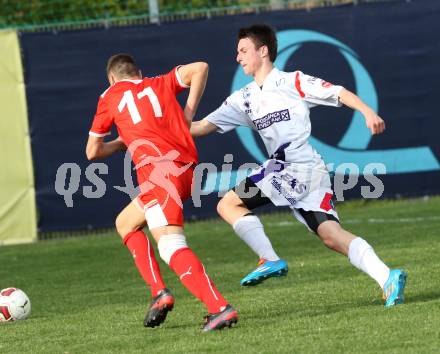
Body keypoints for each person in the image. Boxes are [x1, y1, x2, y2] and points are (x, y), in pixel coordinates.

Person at [191, 24, 407, 307]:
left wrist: (367, 111)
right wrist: (164, 124)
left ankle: (269, 258)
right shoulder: (242, 98)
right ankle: (387, 276)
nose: (238, 57)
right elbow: (200, 127)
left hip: (292, 167)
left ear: (263, 50)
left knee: (228, 204)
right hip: (310, 171)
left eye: (243, 51)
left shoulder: (292, 81)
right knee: (331, 235)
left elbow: (339, 92)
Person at [86, 54, 238, 331]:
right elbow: (201, 67)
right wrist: (188, 113)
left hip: (160, 175)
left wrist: (120, 144)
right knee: (126, 222)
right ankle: (158, 292)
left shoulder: (109, 96)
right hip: (183, 170)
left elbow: (92, 151)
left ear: (111, 79)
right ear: (139, 72)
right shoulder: (158, 83)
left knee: (170, 246)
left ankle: (219, 308)